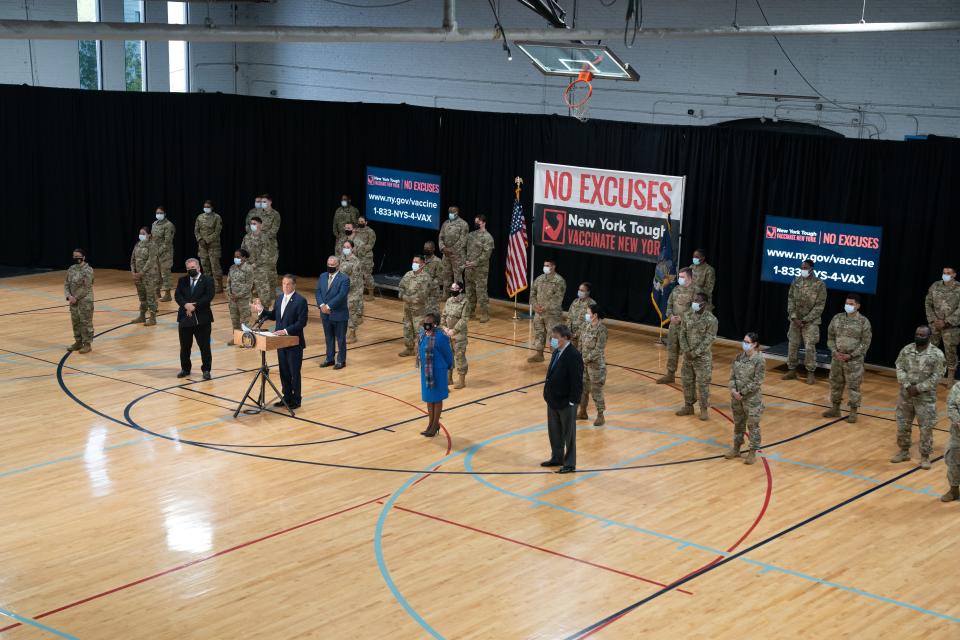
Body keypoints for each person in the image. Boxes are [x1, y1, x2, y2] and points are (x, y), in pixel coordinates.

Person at [891, 325, 945, 470]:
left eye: (922, 335)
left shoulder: (937, 354)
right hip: (906, 395)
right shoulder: (907, 349)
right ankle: (903, 451)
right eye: (917, 334)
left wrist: (918, 388)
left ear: (929, 336)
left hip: (925, 398)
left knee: (926, 428)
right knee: (903, 425)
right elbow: (899, 367)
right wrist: (908, 385)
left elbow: (937, 376)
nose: (918, 337)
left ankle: (925, 457)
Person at [252, 274, 308, 410]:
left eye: (288, 284)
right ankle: (286, 397)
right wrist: (261, 311)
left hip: (293, 342)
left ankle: (296, 399)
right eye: (283, 284)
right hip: (279, 342)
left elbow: (302, 322)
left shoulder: (300, 301)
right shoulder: (280, 298)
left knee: (294, 372)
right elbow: (273, 315)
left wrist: (285, 331)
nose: (285, 286)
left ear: (294, 285)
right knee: (284, 371)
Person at [541, 324, 584, 474]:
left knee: (569, 434)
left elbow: (577, 381)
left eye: (555, 338)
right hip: (553, 400)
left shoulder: (573, 355)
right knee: (554, 431)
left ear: (565, 338)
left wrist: (573, 401)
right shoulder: (556, 352)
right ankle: (557, 457)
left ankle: (570, 463)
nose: (552, 340)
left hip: (567, 402)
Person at [824, 294, 873, 422]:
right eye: (847, 303)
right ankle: (835, 408)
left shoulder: (863, 322)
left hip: (853, 361)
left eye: (851, 304)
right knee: (835, 384)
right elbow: (830, 338)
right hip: (837, 358)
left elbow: (865, 343)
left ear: (857, 306)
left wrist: (851, 355)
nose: (848, 306)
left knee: (853, 386)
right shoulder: (837, 318)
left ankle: (853, 412)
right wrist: (834, 351)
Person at [783, 259, 827, 385]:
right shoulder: (796, 281)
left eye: (805, 268)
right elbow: (790, 299)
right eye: (802, 267)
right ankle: (791, 370)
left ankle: (810, 373)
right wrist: (794, 317)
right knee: (793, 344)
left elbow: (820, 306)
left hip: (810, 321)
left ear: (811, 269)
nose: (803, 270)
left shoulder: (819, 284)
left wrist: (805, 319)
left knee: (809, 347)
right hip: (795, 320)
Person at [726, 332, 766, 465]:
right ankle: (736, 448)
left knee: (752, 426)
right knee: (738, 424)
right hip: (736, 398)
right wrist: (733, 390)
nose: (744, 344)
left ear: (754, 344)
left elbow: (757, 381)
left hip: (751, 399)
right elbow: (732, 376)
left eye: (747, 342)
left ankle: (752, 452)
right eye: (744, 341)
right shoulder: (739, 357)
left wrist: (742, 393)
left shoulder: (759, 360)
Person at [677, 292, 718, 420]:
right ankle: (688, 406)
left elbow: (709, 339)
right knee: (687, 381)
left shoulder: (711, 320)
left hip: (702, 358)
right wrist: (686, 350)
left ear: (703, 304)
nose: (694, 302)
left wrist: (694, 353)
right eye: (694, 299)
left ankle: (704, 409)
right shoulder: (687, 315)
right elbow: (682, 334)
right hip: (687, 356)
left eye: (697, 300)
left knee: (703, 384)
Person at [174, 258, 215, 380]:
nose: (191, 270)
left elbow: (209, 296)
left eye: (193, 268)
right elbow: (178, 295)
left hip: (202, 318)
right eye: (188, 269)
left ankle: (206, 370)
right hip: (185, 318)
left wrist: (194, 306)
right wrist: (186, 305)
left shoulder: (207, 280)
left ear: (198, 267)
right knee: (185, 346)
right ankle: (185, 369)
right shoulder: (182, 280)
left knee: (204, 347)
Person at [416, 311, 454, 437]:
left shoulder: (441, 337)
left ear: (435, 324)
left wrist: (449, 367)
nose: (426, 325)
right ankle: (431, 423)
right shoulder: (422, 335)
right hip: (426, 371)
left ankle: (435, 423)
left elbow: (448, 353)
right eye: (424, 322)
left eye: (429, 323)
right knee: (429, 398)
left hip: (438, 370)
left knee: (437, 398)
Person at [656, 267, 695, 384]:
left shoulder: (696, 292)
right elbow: (669, 305)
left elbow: (697, 312)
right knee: (672, 350)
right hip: (673, 326)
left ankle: (688, 378)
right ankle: (670, 375)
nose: (680, 279)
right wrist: (671, 316)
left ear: (690, 278)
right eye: (679, 277)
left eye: (683, 277)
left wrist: (682, 319)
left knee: (688, 354)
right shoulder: (676, 289)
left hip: (687, 328)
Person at [924, 266, 960, 386]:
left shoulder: (959, 288)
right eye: (944, 272)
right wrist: (934, 320)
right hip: (935, 325)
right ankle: (928, 374)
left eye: (948, 273)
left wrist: (947, 321)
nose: (945, 275)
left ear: (954, 275)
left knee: (950, 352)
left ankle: (950, 378)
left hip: (951, 327)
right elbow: (928, 303)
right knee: (930, 350)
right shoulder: (935, 286)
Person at [527, 260, 566, 363]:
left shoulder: (559, 281)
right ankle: (539, 354)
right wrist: (535, 305)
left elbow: (558, 299)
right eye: (544, 265)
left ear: (553, 266)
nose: (545, 267)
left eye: (547, 265)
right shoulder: (539, 279)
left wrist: (544, 307)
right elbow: (532, 293)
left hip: (552, 315)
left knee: (554, 336)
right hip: (539, 313)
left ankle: (555, 358)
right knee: (539, 333)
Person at [315, 255, 350, 369]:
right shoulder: (323, 276)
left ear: (338, 265)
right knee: (328, 337)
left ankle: (341, 361)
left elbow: (341, 295)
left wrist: (328, 306)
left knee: (340, 339)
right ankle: (329, 359)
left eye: (332, 265)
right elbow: (318, 291)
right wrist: (321, 305)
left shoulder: (344, 279)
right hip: (325, 313)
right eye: (329, 265)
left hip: (339, 314)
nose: (330, 267)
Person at [578, 303, 607, 426]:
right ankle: (582, 412)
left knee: (596, 390)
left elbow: (599, 349)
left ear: (595, 315)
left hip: (596, 366)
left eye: (588, 313)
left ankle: (600, 415)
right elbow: (581, 342)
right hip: (584, 364)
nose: (586, 315)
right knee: (583, 389)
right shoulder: (586, 326)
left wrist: (586, 359)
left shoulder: (602, 330)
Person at [397, 256, 431, 357]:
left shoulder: (425, 277)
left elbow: (422, 295)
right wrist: (403, 296)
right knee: (407, 328)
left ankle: (422, 351)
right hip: (407, 309)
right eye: (413, 261)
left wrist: (409, 298)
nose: (414, 264)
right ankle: (409, 348)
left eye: (416, 262)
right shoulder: (408, 275)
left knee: (419, 331)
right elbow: (401, 287)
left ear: (422, 264)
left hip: (419, 310)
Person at [464, 214, 494, 322]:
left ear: (483, 222)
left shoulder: (488, 238)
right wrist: (466, 261)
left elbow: (486, 255)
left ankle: (485, 314)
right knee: (469, 291)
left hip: (480, 270)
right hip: (469, 268)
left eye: (478, 222)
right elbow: (464, 249)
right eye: (475, 222)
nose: (476, 224)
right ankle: (470, 312)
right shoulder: (471, 235)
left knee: (481, 292)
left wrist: (475, 262)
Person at [241, 216, 276, 309]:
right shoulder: (247, 237)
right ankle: (246, 309)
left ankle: (265, 311)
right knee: (246, 290)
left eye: (254, 224)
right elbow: (242, 251)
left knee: (263, 291)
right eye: (251, 224)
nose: (252, 225)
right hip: (248, 267)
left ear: (260, 225)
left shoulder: (265, 238)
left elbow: (265, 254)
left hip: (260, 269)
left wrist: (255, 265)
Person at [65, 248, 94, 353]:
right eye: (74, 256)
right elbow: (66, 284)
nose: (76, 258)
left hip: (85, 301)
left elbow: (86, 288)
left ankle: (87, 344)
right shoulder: (71, 269)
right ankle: (78, 342)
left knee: (85, 322)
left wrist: (75, 297)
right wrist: (69, 296)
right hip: (73, 301)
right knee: (76, 322)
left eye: (78, 256)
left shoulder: (88, 270)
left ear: (84, 257)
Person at [130, 226, 161, 326]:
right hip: (138, 276)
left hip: (149, 276)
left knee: (150, 296)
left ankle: (153, 318)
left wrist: (141, 273)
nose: (141, 235)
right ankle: (142, 316)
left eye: (143, 233)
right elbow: (132, 260)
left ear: (149, 235)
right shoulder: (137, 245)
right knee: (142, 296)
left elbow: (151, 261)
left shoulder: (152, 245)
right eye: (140, 233)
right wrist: (133, 272)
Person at [441, 281, 469, 389]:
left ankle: (462, 381)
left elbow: (464, 319)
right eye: (451, 288)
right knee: (448, 356)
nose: (453, 291)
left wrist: (454, 330)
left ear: (461, 290)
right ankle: (449, 379)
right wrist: (444, 327)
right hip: (447, 333)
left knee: (460, 356)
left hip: (459, 335)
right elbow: (444, 315)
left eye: (455, 288)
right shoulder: (449, 300)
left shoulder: (465, 302)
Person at [225, 248, 255, 345]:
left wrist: (238, 295)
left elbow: (249, 285)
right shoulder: (232, 268)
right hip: (232, 299)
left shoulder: (248, 269)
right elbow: (228, 282)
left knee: (245, 321)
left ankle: (247, 340)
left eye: (238, 257)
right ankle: (237, 339)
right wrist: (230, 294)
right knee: (235, 321)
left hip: (244, 300)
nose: (236, 258)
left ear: (244, 258)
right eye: (235, 257)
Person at [195, 199, 223, 293]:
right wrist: (200, 239)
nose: (206, 208)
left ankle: (219, 286)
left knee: (215, 266)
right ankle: (209, 284)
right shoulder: (199, 217)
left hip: (213, 245)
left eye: (208, 207)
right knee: (205, 265)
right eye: (205, 207)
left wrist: (207, 240)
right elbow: (196, 230)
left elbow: (217, 231)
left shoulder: (217, 217)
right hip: (202, 246)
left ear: (212, 207)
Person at [338, 240, 364, 344]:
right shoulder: (342, 259)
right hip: (343, 290)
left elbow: (354, 279)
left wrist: (341, 286)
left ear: (352, 248)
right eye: (344, 246)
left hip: (353, 291)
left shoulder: (356, 261)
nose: (346, 249)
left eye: (348, 247)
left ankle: (353, 334)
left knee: (351, 312)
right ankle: (344, 332)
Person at [439, 205, 468, 291]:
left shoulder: (463, 224)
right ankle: (446, 295)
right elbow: (440, 237)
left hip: (457, 256)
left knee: (457, 278)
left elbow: (463, 241)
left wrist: (451, 250)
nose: (450, 214)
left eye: (452, 212)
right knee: (446, 275)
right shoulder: (445, 223)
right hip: (446, 255)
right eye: (449, 212)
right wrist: (443, 248)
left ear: (457, 213)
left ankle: (457, 296)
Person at [152, 205, 176, 301]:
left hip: (165, 253)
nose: (159, 214)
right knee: (156, 274)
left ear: (165, 214)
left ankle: (167, 294)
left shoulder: (168, 225)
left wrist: (158, 251)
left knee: (165, 274)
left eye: (160, 213)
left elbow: (167, 241)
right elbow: (153, 238)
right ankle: (157, 293)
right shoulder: (154, 224)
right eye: (157, 213)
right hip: (155, 253)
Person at [942, 383, 960, 502]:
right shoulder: (958, 387)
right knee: (953, 462)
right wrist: (958, 421)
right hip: (958, 434)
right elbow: (951, 406)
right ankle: (954, 491)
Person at [567, 282, 595, 350]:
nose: (579, 292)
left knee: (580, 356)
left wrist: (576, 334)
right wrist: (568, 331)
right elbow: (569, 317)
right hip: (571, 335)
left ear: (588, 292)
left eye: (582, 290)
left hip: (583, 336)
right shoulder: (575, 301)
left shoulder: (592, 304)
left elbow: (589, 322)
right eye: (579, 290)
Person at [354, 214, 377, 298]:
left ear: (366, 222)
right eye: (359, 221)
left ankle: (371, 294)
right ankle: (360, 292)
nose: (360, 223)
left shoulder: (370, 232)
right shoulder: (356, 231)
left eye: (362, 222)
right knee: (357, 275)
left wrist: (360, 251)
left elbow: (370, 245)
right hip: (356, 256)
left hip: (366, 257)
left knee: (367, 275)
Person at [421, 240, 444, 312]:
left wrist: (429, 284)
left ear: (433, 249)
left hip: (432, 293)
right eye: (425, 248)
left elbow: (440, 278)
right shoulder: (421, 259)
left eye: (428, 248)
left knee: (433, 313)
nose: (426, 249)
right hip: (421, 291)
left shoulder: (437, 261)